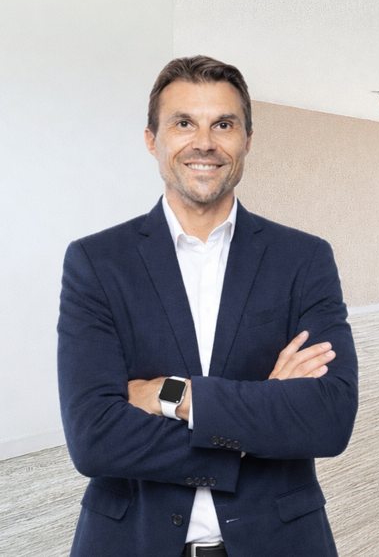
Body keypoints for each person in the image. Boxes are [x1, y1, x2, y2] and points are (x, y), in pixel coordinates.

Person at [57, 56, 359, 557]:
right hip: (132, 539)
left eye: (223, 124)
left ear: (247, 140)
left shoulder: (304, 259)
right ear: (152, 140)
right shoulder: (97, 262)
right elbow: (94, 437)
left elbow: (329, 418)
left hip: (279, 538)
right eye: (183, 123)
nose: (204, 143)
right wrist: (261, 414)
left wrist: (172, 396)